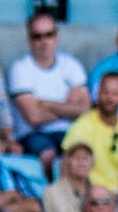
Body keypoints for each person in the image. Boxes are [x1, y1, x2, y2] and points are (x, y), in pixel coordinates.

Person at [7, 9, 89, 165]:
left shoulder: (71, 65)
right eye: (37, 36)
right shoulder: (20, 68)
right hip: (33, 134)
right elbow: (34, 118)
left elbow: (85, 110)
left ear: (57, 36)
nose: (44, 41)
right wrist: (68, 108)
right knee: (48, 154)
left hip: (70, 132)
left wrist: (46, 104)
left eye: (49, 34)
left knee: (83, 152)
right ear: (29, 39)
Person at [62, 72, 118, 188]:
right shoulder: (82, 125)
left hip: (116, 196)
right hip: (85, 193)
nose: (109, 98)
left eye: (115, 94)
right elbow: (66, 167)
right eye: (105, 92)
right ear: (97, 94)